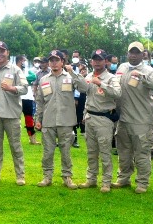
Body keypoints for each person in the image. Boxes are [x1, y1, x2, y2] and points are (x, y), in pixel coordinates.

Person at [112, 41, 153, 194]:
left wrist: (143, 77)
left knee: (142, 154)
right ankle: (124, 178)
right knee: (124, 152)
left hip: (141, 120)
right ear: (127, 53)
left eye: (137, 52)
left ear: (143, 55)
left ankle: (142, 182)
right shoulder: (122, 67)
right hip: (123, 119)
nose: (133, 55)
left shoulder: (149, 70)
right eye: (131, 52)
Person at [34, 50, 88, 189]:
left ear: (63, 62)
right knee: (48, 151)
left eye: (57, 60)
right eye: (51, 60)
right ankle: (47, 176)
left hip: (66, 121)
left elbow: (84, 87)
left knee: (65, 151)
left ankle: (67, 176)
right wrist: (38, 119)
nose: (54, 63)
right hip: (48, 120)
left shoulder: (70, 77)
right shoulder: (44, 79)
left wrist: (73, 72)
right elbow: (40, 101)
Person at [0, 41, 28, 186]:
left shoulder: (16, 70)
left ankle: (20, 175)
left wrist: (11, 88)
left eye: (2, 51)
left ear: (7, 52)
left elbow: (25, 88)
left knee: (15, 146)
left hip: (11, 115)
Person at [76, 49, 121, 193]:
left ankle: (106, 182)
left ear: (105, 62)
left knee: (105, 152)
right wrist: (84, 114)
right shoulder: (88, 76)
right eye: (94, 59)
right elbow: (87, 97)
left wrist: (101, 84)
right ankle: (91, 179)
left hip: (104, 118)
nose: (97, 62)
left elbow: (117, 93)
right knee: (91, 152)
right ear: (91, 61)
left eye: (100, 59)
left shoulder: (111, 78)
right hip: (90, 117)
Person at [16, 55, 38, 145]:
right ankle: (15, 139)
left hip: (27, 97)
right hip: (17, 96)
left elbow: (33, 77)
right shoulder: (14, 70)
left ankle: (32, 139)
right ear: (20, 60)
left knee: (29, 118)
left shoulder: (27, 70)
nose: (25, 62)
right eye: (24, 60)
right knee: (15, 119)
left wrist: (24, 79)